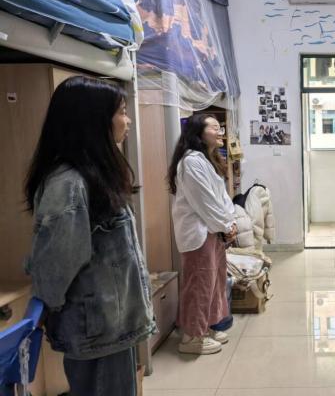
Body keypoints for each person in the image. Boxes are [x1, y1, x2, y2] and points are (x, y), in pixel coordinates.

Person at [24, 76, 154, 396]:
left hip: (111, 325)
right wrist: (43, 308)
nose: (128, 120)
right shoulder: (69, 184)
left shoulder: (93, 177)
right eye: (122, 112)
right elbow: (55, 264)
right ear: (94, 121)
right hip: (97, 329)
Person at [168, 114, 237, 355]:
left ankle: (205, 327)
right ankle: (191, 337)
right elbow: (205, 202)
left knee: (214, 282)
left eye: (220, 128)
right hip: (199, 233)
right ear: (198, 133)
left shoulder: (207, 160)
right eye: (214, 127)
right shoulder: (191, 162)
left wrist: (231, 221)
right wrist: (226, 225)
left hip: (213, 230)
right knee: (199, 284)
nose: (220, 131)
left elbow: (222, 197)